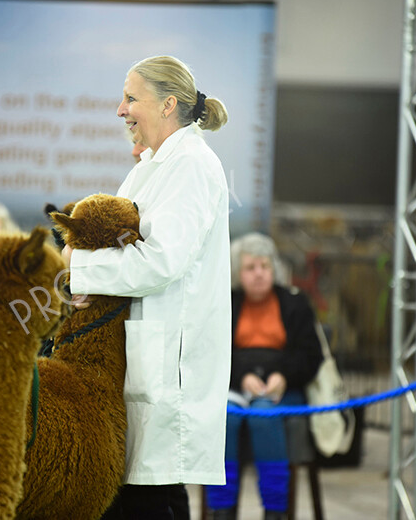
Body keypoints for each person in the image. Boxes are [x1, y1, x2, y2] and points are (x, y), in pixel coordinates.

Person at [63, 55, 231, 519]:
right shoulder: (150, 168)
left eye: (131, 98)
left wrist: (76, 265)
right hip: (138, 359)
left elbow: (162, 261)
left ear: (168, 104)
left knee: (150, 496)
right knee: (145, 495)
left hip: (165, 366)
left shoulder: (192, 164)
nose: (121, 110)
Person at [205, 232, 323, 520]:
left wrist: (283, 376)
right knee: (228, 417)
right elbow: (211, 352)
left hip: (285, 389)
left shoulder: (296, 303)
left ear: (275, 269)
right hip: (236, 386)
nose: (259, 274)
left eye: (265, 266)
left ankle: (275, 510)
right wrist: (242, 376)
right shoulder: (225, 303)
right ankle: (221, 510)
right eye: (250, 267)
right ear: (237, 272)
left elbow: (310, 355)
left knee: (263, 414)